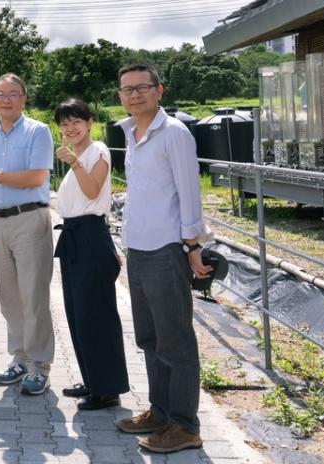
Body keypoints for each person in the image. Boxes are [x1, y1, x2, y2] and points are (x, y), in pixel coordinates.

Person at [114, 64, 211, 454]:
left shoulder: (174, 134)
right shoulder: (131, 132)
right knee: (150, 338)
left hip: (167, 250)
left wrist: (192, 246)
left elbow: (190, 193)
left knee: (176, 343)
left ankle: (185, 426)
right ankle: (160, 411)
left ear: (159, 90)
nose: (135, 95)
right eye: (127, 89)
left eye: (143, 88)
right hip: (138, 248)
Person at [0, 74, 54, 395]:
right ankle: (19, 358)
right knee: (9, 298)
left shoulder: (38, 131)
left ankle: (39, 366)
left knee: (34, 296)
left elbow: (35, 177)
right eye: (0, 94)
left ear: (23, 99)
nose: (6, 99)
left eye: (13, 94)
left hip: (29, 220)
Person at [52, 98, 129, 410]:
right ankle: (93, 380)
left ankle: (107, 389)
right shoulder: (79, 154)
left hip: (90, 236)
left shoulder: (97, 150)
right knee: (78, 314)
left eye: (76, 122)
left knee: (96, 315)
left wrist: (73, 162)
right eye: (64, 124)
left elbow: (93, 191)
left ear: (89, 123)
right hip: (73, 236)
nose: (71, 129)